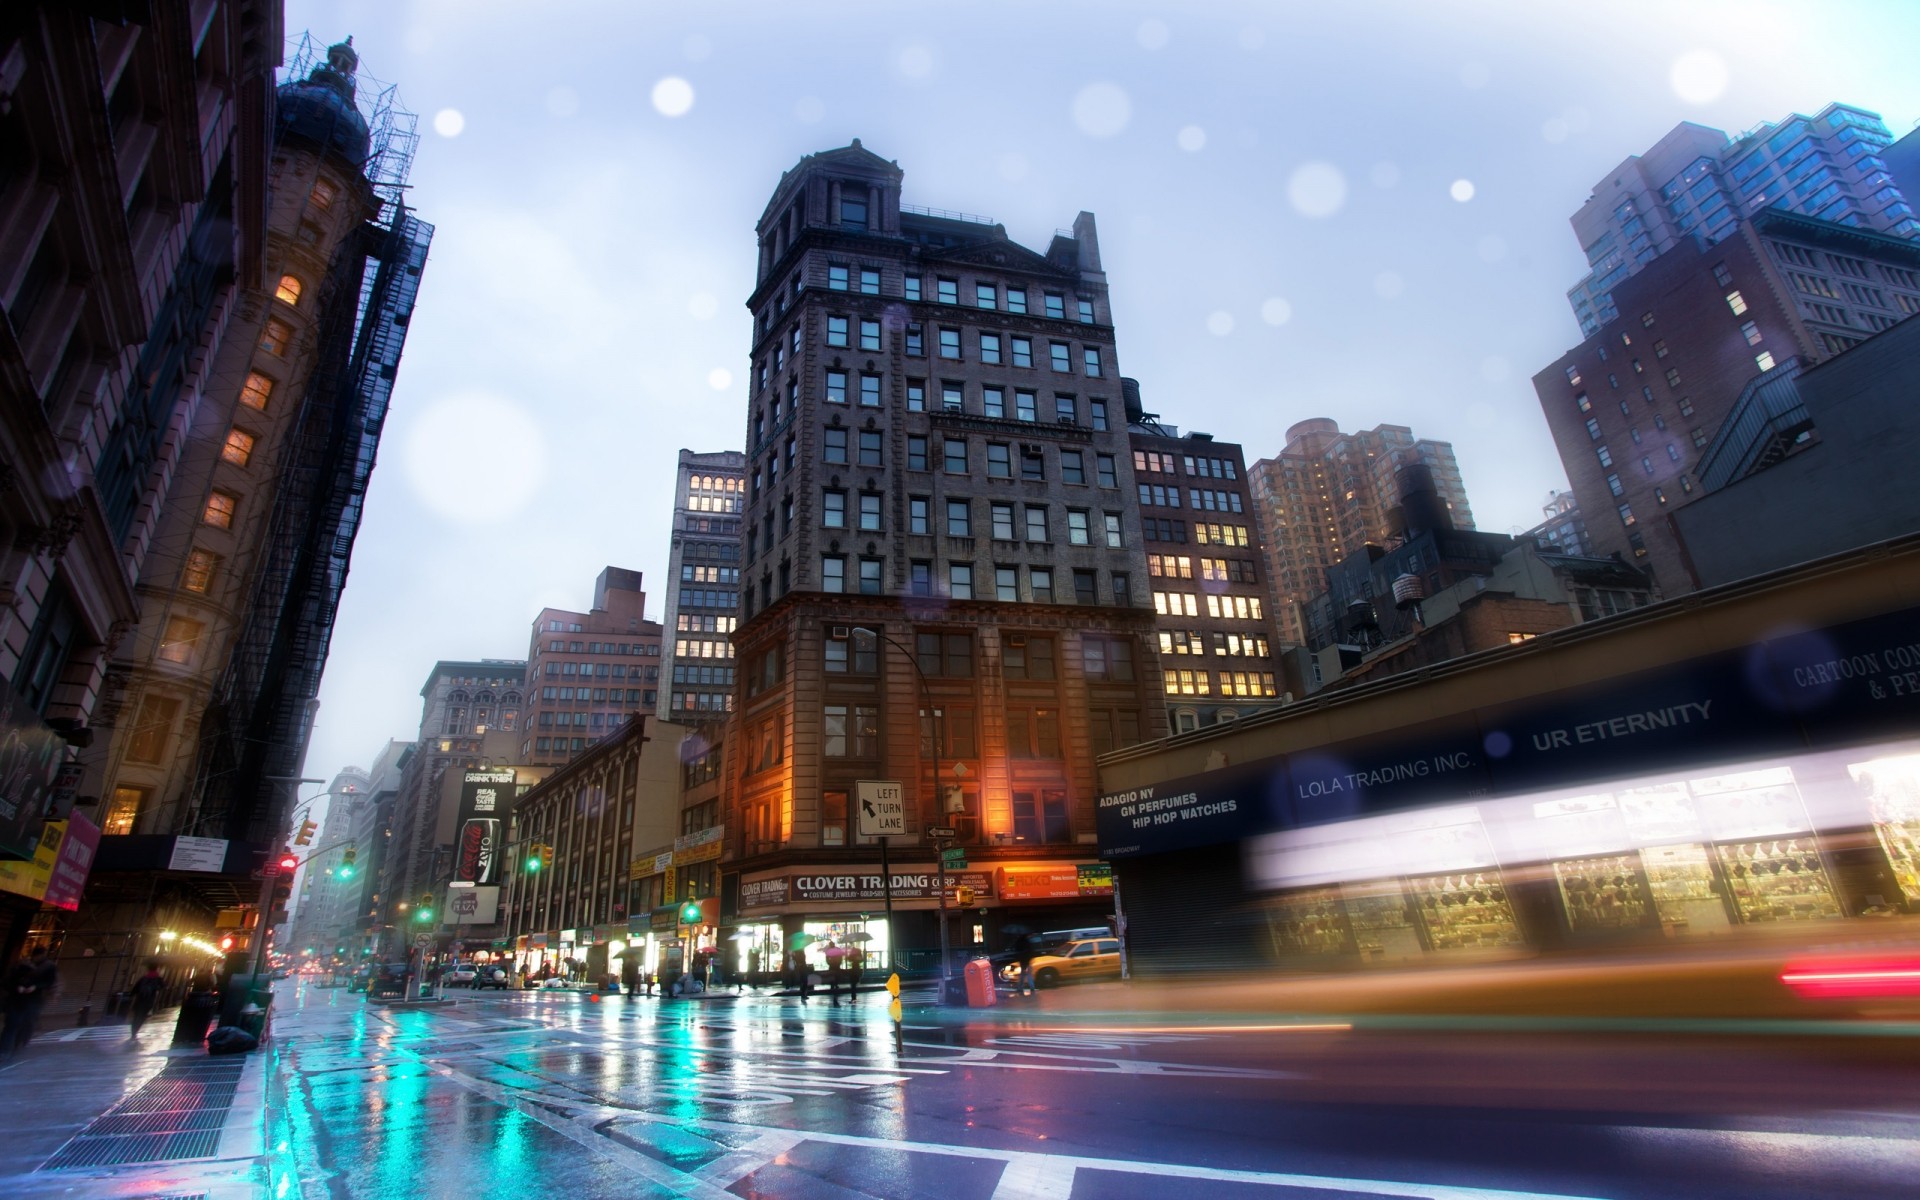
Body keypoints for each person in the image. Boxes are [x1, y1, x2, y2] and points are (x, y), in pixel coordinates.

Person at [1, 945, 58, 1058]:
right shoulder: (21, 966)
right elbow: (7, 982)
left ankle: (12, 1048)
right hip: (22, 1001)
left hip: (30, 1001)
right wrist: (18, 987)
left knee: (21, 1025)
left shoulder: (47, 967)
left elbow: (50, 983)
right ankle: (7, 1049)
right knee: (14, 1025)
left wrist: (35, 987)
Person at [127, 960, 166, 1043]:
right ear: (156, 969)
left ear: (148, 969)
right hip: (148, 1001)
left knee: (136, 1017)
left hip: (139, 1000)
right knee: (142, 1017)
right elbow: (163, 987)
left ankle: (133, 1034)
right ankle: (135, 1033)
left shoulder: (143, 978)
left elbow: (135, 989)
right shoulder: (158, 978)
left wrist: (131, 995)